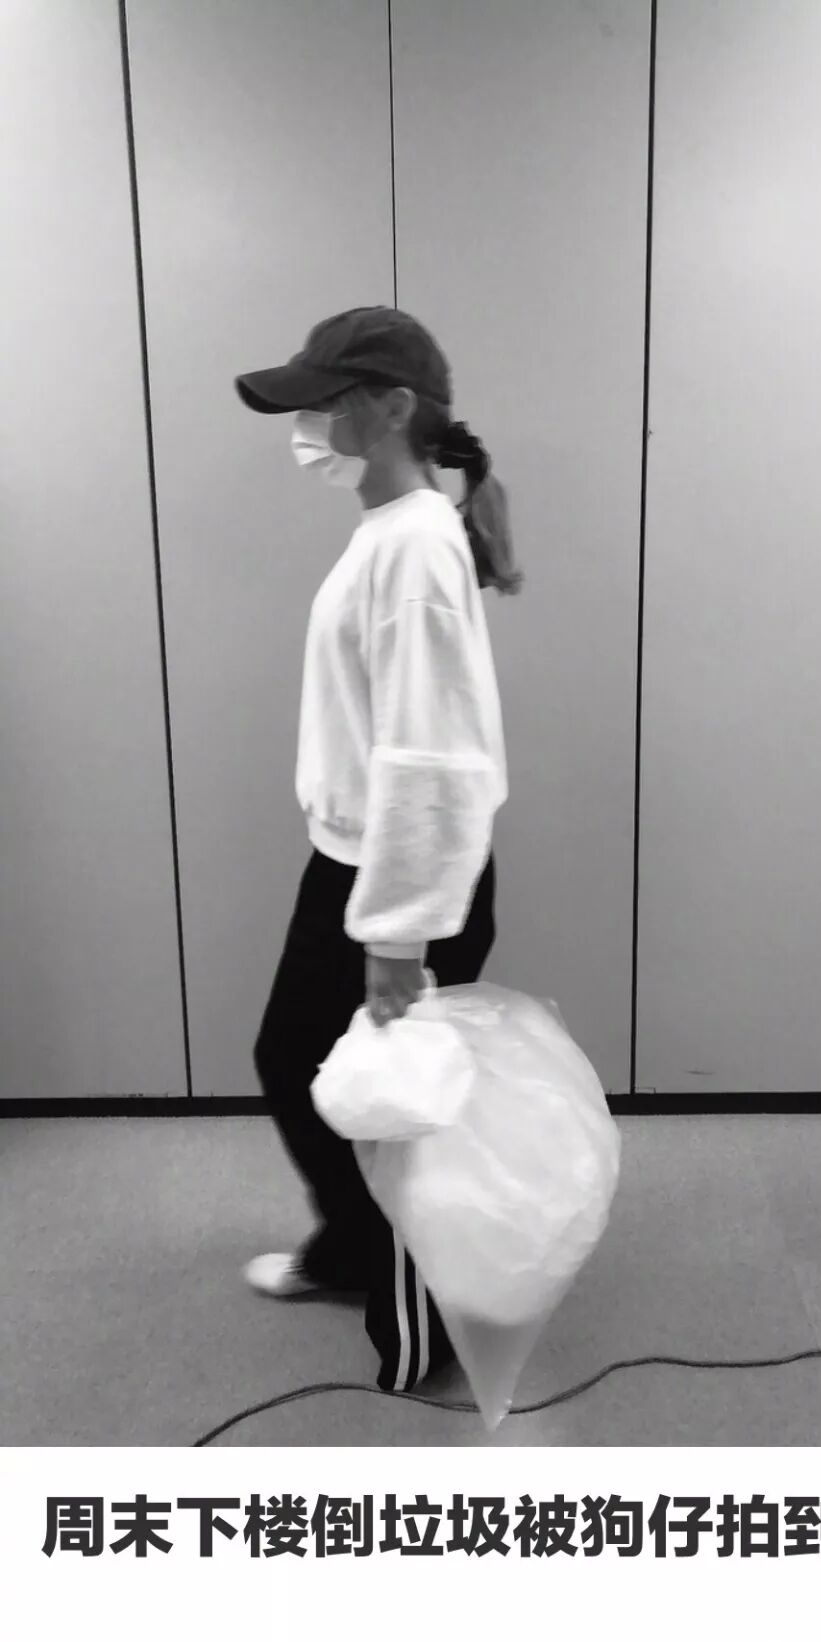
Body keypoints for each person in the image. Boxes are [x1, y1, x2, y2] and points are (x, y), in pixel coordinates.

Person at [233, 305, 521, 1393]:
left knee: (393, 1107)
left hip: (400, 879)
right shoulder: (394, 531)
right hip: (357, 859)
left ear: (393, 409)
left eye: (325, 402)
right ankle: (355, 1249)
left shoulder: (415, 547)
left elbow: (432, 754)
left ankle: (422, 1323)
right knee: (296, 1059)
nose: (307, 424)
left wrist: (399, 938)